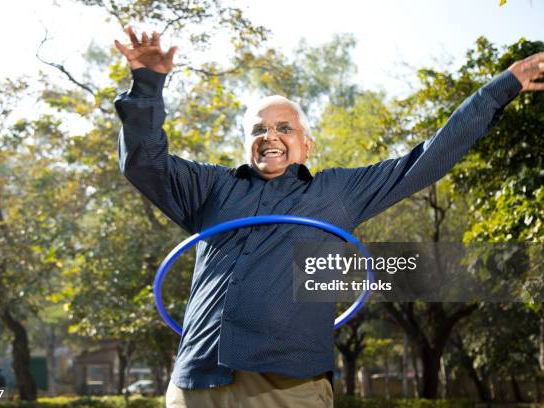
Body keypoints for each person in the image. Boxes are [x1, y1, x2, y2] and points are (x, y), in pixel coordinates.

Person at [113, 26, 544, 408]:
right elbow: (142, 161)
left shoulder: (337, 192)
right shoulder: (210, 187)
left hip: (288, 387)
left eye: (285, 128)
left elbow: (426, 160)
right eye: (259, 130)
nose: (271, 137)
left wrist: (497, 90)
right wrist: (148, 83)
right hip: (198, 383)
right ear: (246, 142)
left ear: (307, 144)